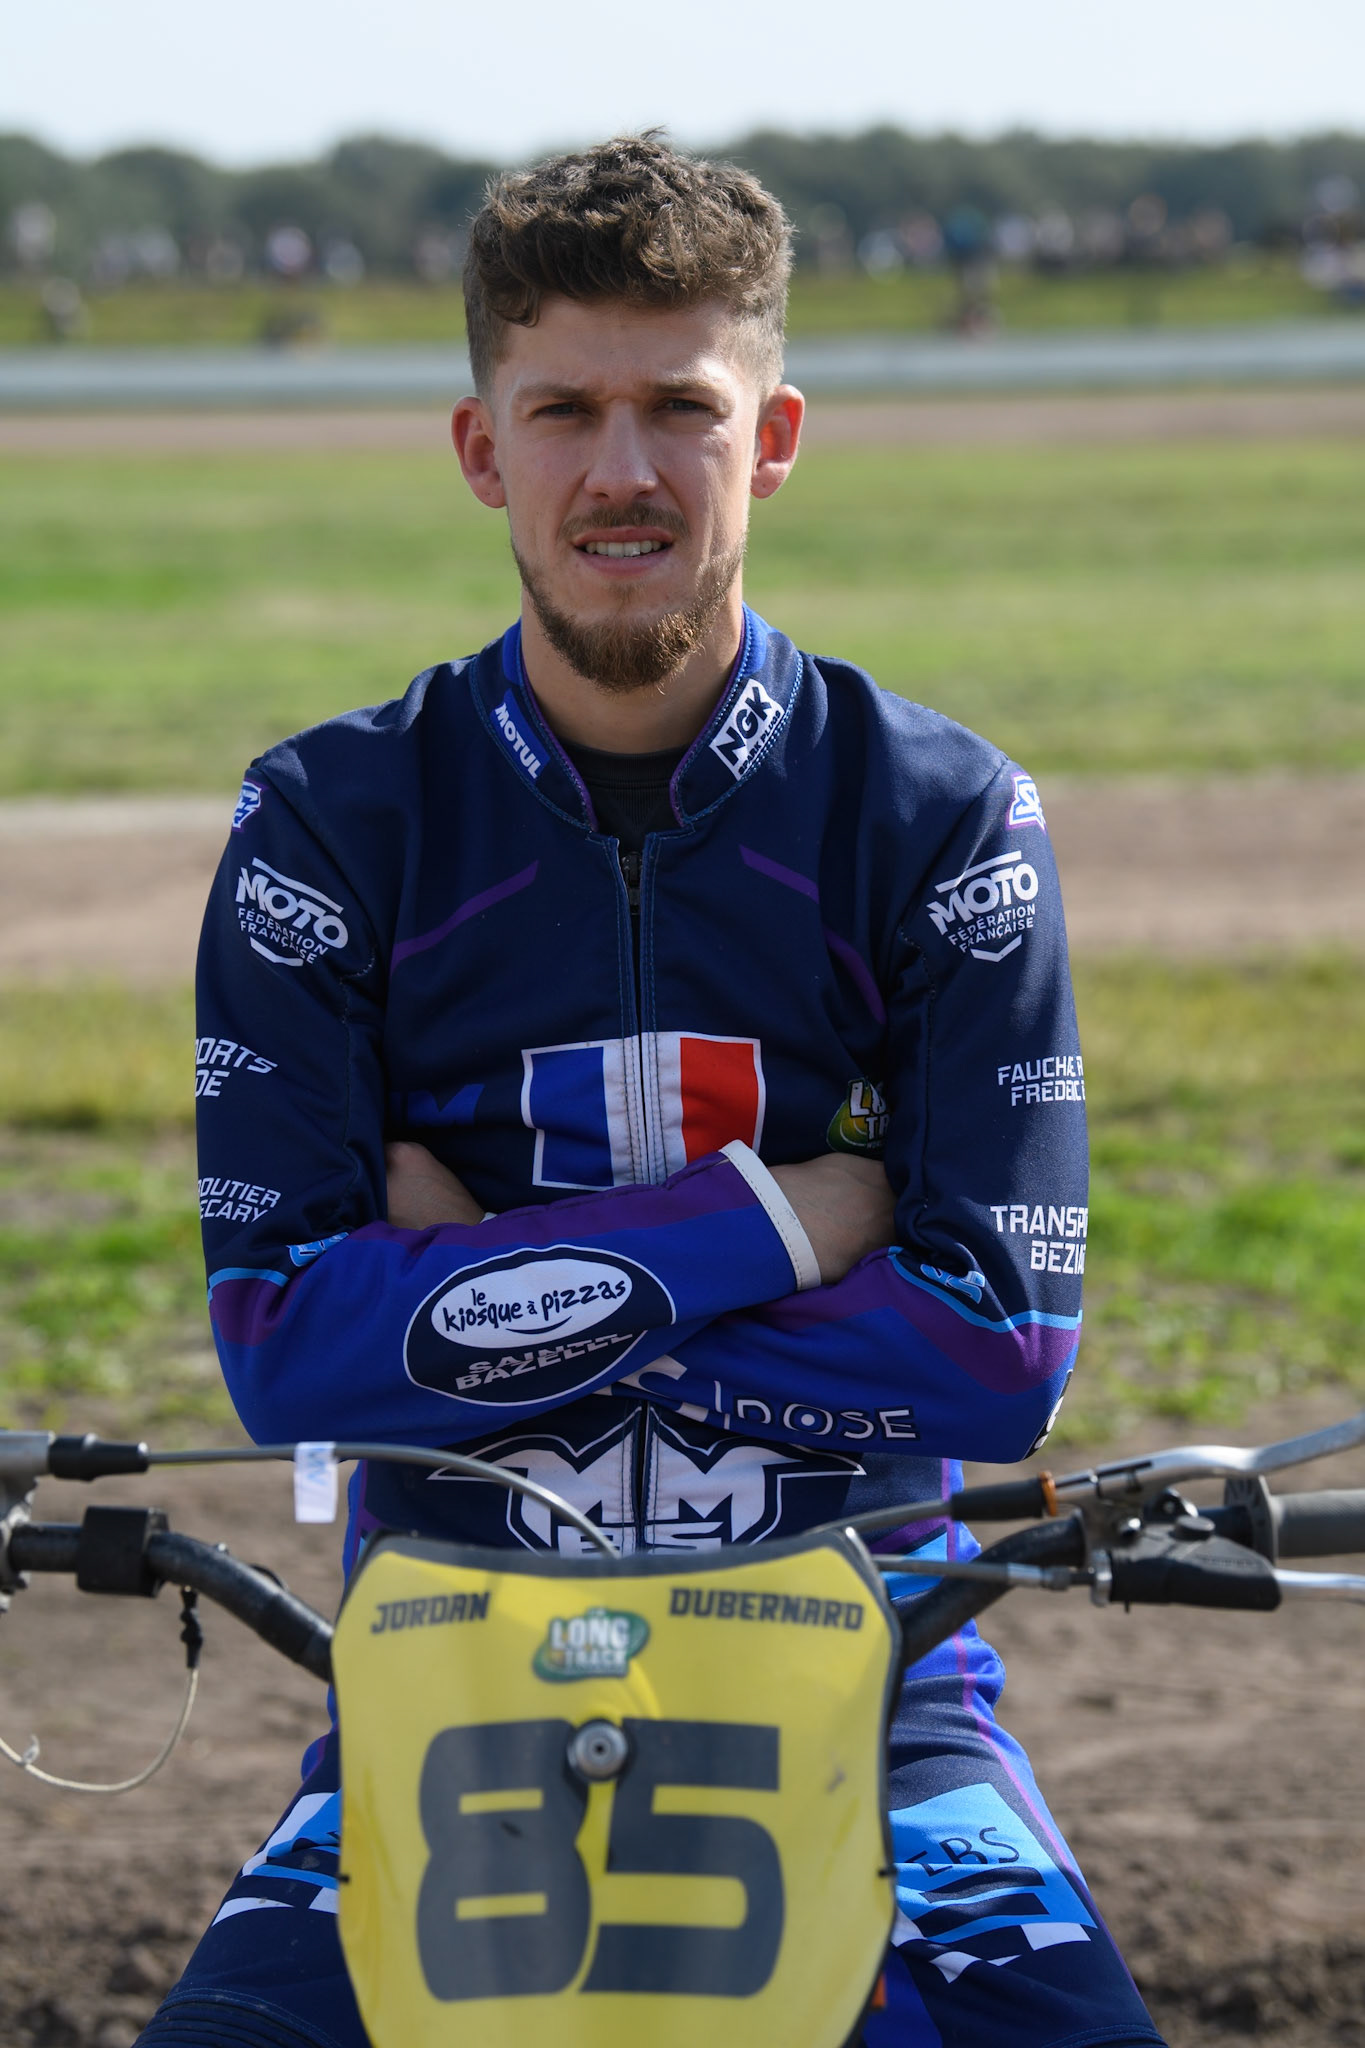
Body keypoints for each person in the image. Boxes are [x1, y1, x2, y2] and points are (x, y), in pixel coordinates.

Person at [141, 136, 1161, 2048]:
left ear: (769, 438)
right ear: (480, 447)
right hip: (432, 1693)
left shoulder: (944, 817)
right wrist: (780, 1221)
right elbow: (282, 1352)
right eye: (565, 410)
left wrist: (474, 1294)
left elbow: (997, 1355)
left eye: (679, 409)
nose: (622, 470)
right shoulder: (325, 827)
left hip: (883, 1714)